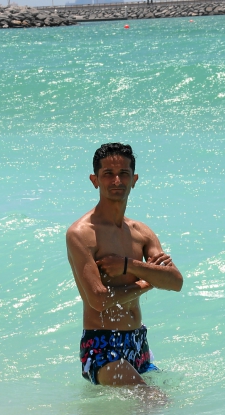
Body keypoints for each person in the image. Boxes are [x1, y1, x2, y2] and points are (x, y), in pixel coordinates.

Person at [66, 143, 183, 387]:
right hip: (101, 345)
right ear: (95, 180)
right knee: (151, 400)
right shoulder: (82, 233)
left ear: (134, 180)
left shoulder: (141, 232)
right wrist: (149, 282)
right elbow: (98, 300)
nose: (117, 180)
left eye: (123, 174)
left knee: (162, 406)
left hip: (138, 343)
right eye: (108, 174)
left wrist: (128, 265)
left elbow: (175, 281)